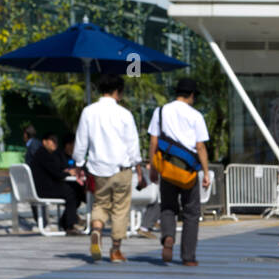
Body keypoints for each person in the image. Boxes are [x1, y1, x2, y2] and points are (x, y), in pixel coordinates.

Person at [73, 74, 141, 263]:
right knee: (120, 209)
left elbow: (81, 142)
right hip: (121, 169)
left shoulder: (88, 111)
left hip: (97, 168)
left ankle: (96, 231)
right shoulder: (125, 114)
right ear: (118, 92)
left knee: (99, 204)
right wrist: (138, 165)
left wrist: (79, 164)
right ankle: (115, 251)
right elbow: (133, 145)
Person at [148, 77, 210, 267]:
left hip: (167, 168)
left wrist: (153, 167)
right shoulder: (196, 116)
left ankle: (168, 236)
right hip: (188, 172)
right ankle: (188, 257)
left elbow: (153, 142)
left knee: (168, 207)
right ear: (191, 95)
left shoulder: (160, 111)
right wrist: (206, 172)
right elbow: (200, 147)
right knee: (191, 212)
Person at [29, 130, 84, 233]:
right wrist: (69, 173)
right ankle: (69, 226)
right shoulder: (44, 155)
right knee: (71, 192)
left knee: (75, 192)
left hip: (42, 188)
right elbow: (57, 173)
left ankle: (66, 222)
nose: (55, 143)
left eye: (56, 141)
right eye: (52, 140)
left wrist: (65, 172)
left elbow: (56, 171)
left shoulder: (42, 154)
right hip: (43, 190)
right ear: (44, 142)